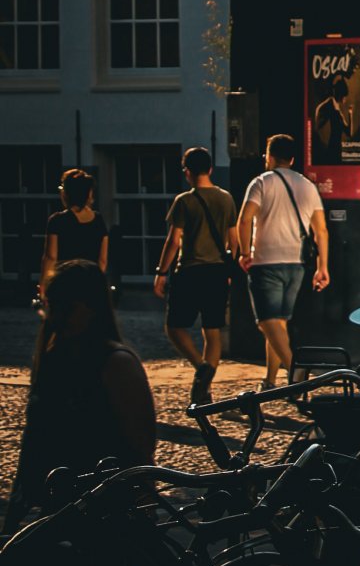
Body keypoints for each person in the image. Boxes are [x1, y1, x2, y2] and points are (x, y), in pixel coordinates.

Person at [8, 259, 156, 527]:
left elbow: (141, 446)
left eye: (66, 307)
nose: (56, 317)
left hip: (106, 506)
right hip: (62, 503)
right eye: (51, 306)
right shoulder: (55, 357)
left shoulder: (116, 363)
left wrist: (144, 502)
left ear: (91, 307)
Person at [235, 134, 329, 388]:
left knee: (267, 321)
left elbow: (244, 219)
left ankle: (293, 369)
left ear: (270, 156)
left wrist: (244, 252)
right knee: (278, 324)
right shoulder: (307, 186)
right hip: (296, 264)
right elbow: (321, 230)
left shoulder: (261, 182)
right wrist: (323, 266)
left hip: (266, 261)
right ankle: (269, 381)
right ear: (293, 159)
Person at [154, 146, 238, 404]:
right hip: (216, 272)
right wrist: (229, 268)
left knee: (174, 327)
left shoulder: (184, 201)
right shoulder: (226, 199)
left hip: (189, 271)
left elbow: (173, 241)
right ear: (210, 169)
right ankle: (205, 386)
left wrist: (161, 271)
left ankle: (201, 367)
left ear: (187, 172)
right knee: (212, 331)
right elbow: (234, 240)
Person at [38, 168, 108, 300]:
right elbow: (102, 259)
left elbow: (51, 257)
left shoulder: (57, 220)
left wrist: (43, 286)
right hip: (90, 282)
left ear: (66, 193)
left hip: (64, 282)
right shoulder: (99, 220)